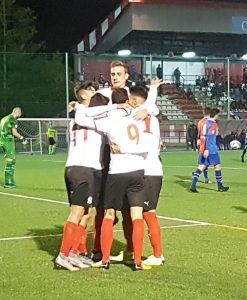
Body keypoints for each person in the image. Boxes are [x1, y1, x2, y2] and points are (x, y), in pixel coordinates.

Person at [75, 86, 155, 271]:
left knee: (109, 214)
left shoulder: (109, 119)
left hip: (117, 171)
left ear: (112, 101)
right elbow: (147, 145)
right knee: (136, 216)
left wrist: (86, 105)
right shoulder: (139, 115)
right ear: (127, 98)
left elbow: (82, 117)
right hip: (137, 170)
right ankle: (137, 260)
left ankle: (105, 259)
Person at [190, 108, 229, 193]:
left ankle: (193, 185)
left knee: (201, 166)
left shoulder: (204, 123)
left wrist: (201, 147)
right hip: (211, 149)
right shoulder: (213, 124)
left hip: (203, 147)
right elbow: (209, 136)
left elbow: (201, 135)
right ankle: (220, 186)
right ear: (216, 115)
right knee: (217, 165)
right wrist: (207, 149)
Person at [0, 107, 26, 188]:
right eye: (20, 112)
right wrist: (22, 138)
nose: (20, 114)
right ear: (15, 111)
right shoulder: (13, 119)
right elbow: (14, 132)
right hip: (8, 141)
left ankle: (10, 180)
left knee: (12, 160)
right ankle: (8, 182)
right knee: (10, 161)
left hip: (2, 140)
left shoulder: (4, 118)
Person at [196, 107, 212, 184]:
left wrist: (198, 143)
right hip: (207, 144)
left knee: (204, 162)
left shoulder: (200, 122)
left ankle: (204, 177)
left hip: (201, 144)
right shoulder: (210, 122)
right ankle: (197, 175)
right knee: (205, 163)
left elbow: (198, 134)